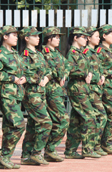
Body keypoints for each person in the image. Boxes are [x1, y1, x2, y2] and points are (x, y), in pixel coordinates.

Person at [0, 25, 32, 169]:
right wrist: (12, 78)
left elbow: (23, 70)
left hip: (17, 94)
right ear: (4, 36)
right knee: (19, 124)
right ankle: (3, 154)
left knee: (9, 127)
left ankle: (4, 159)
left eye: (16, 35)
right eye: (13, 35)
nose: (16, 37)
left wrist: (24, 77)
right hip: (6, 94)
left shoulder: (15, 53)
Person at [64, 27, 100, 159]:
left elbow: (90, 68)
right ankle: (88, 148)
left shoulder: (81, 53)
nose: (86, 39)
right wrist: (84, 73)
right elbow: (68, 70)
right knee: (90, 117)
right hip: (77, 88)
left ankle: (70, 150)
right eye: (83, 37)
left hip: (83, 88)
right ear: (75, 37)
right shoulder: (72, 53)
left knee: (76, 120)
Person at [19, 26, 53, 165]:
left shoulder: (39, 54)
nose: (38, 38)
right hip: (31, 94)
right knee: (46, 123)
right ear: (26, 38)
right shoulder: (24, 55)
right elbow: (24, 74)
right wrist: (39, 79)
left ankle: (26, 156)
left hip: (41, 93)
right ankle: (37, 153)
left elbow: (49, 70)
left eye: (38, 36)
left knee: (33, 126)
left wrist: (47, 78)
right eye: (35, 35)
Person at [41, 27, 70, 162]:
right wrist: (59, 74)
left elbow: (67, 66)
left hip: (57, 91)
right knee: (62, 120)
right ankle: (49, 148)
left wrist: (64, 74)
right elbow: (50, 69)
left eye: (59, 37)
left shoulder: (57, 53)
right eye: (56, 37)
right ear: (49, 38)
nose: (59, 39)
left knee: (58, 121)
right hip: (50, 91)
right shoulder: (44, 53)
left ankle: (49, 150)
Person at [96, 24, 112, 154]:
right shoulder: (100, 51)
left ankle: (106, 142)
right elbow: (97, 67)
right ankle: (105, 142)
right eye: (111, 34)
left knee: (109, 114)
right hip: (105, 87)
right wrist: (109, 73)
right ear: (104, 36)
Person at [85, 26, 108, 156]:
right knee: (99, 117)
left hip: (97, 89)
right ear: (89, 38)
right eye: (96, 36)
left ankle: (94, 146)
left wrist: (102, 75)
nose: (98, 39)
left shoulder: (95, 52)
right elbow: (85, 72)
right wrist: (97, 77)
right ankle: (91, 146)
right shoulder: (86, 53)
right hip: (90, 89)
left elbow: (98, 70)